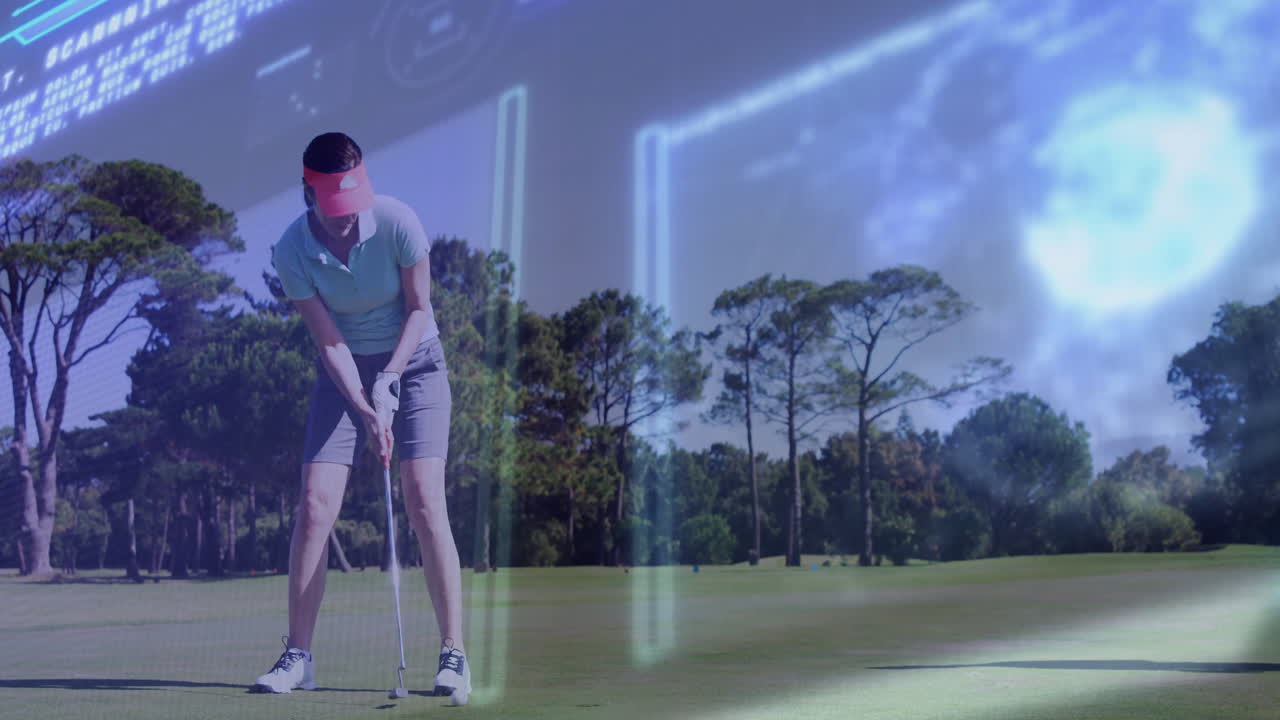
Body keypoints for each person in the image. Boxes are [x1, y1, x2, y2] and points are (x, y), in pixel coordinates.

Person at [250, 132, 470, 699]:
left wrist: (392, 378)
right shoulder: (291, 251)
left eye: (354, 206)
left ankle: (453, 655)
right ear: (309, 193)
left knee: (424, 498)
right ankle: (298, 655)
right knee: (315, 505)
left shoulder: (398, 223)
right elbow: (329, 344)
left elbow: (421, 310)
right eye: (335, 209)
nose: (348, 221)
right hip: (343, 374)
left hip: (415, 364)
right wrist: (367, 408)